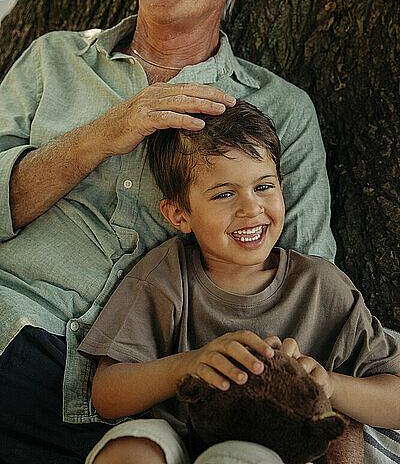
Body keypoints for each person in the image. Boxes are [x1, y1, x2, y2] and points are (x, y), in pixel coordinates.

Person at [0, 0, 336, 462]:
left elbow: (300, 285)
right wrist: (107, 132)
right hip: (14, 330)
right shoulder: (53, 61)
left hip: (155, 396)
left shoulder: (279, 110)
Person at [78, 100, 400, 464]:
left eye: (263, 187)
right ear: (179, 214)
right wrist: (186, 365)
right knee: (131, 449)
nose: (250, 208)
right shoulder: (165, 276)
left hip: (272, 451)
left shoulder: (322, 286)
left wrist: (330, 384)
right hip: (177, 439)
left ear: (281, 186)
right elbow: (105, 393)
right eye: (224, 194)